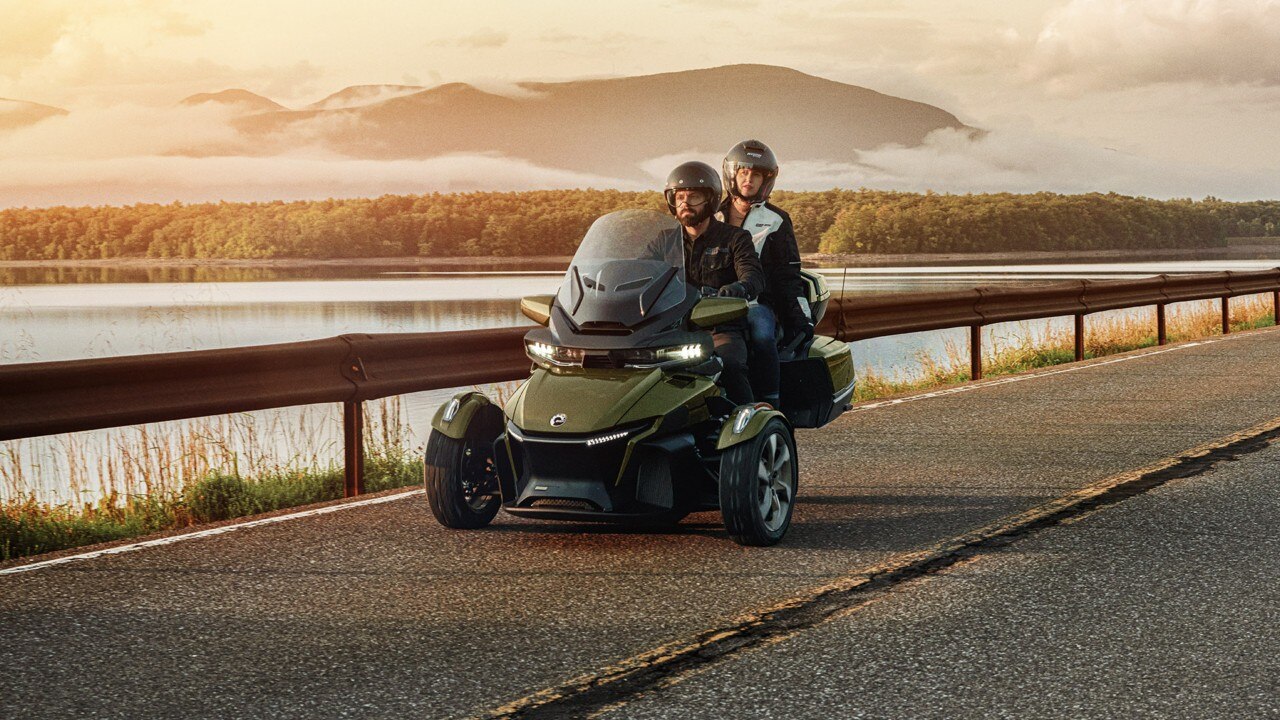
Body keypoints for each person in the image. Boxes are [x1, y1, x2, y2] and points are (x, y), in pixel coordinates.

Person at [716, 140, 813, 407]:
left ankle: (772, 400)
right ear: (732, 174)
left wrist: (802, 318)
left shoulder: (776, 220)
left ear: (766, 180)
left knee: (761, 334)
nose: (748, 179)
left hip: (756, 303)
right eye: (744, 172)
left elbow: (788, 275)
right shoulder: (712, 216)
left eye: (756, 174)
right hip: (710, 302)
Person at [664, 160, 764, 405]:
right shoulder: (664, 241)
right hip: (672, 327)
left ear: (710, 200)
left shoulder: (735, 238)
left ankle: (749, 418)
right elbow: (640, 273)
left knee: (729, 364)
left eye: (693, 197)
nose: (685, 203)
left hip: (720, 328)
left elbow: (753, 276)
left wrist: (738, 288)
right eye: (679, 197)